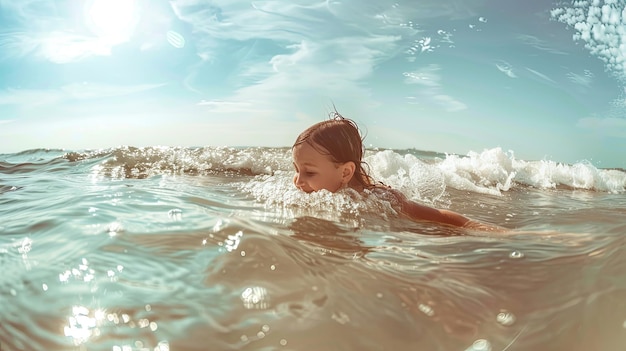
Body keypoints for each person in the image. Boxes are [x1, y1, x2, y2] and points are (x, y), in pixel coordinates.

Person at [292, 111, 505, 232]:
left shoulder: (380, 198)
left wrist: (477, 227)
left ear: (346, 172)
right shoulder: (312, 192)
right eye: (296, 170)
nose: (298, 181)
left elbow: (438, 216)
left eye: (309, 173)